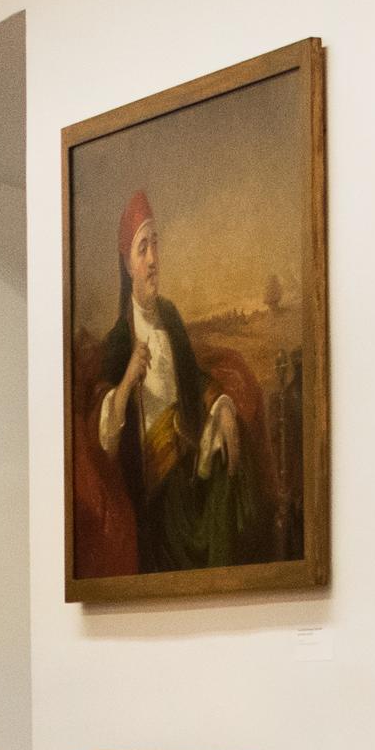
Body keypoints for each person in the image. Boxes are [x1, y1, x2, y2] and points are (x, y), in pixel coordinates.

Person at [86, 191, 265, 574]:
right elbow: (105, 436)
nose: (153, 261)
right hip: (158, 493)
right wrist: (129, 378)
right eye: (142, 249)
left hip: (189, 462)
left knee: (231, 454)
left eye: (155, 246)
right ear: (127, 264)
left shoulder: (169, 314)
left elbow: (192, 375)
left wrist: (221, 404)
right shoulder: (120, 337)